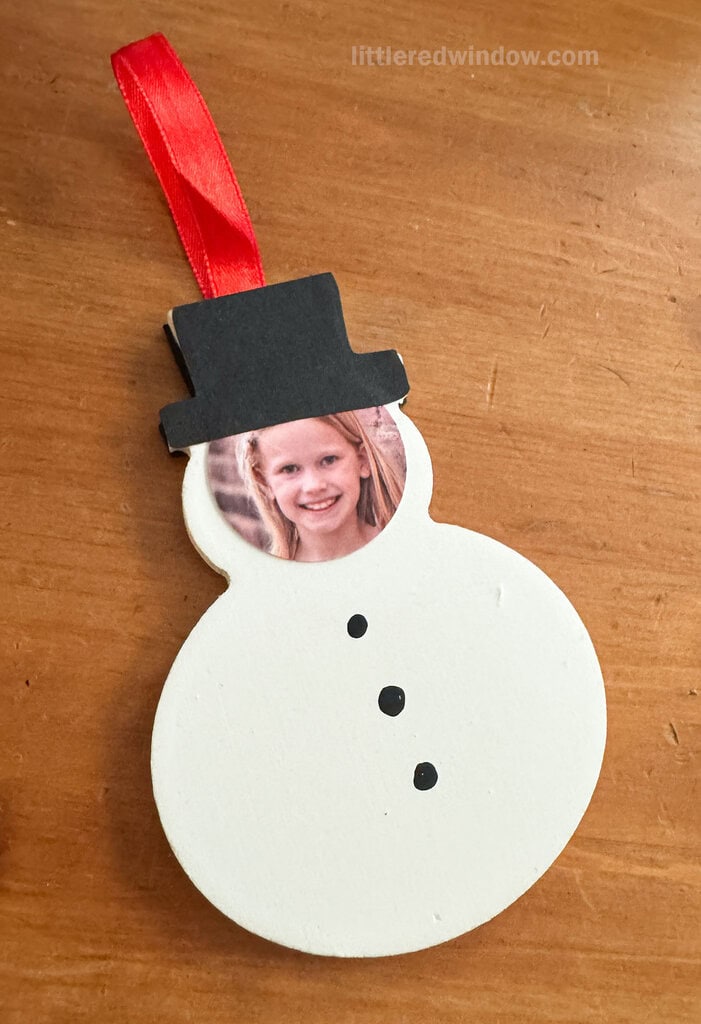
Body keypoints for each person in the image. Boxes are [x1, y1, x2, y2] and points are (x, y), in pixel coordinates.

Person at [235, 410, 404, 562]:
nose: (313, 485)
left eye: (329, 460)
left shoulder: (401, 551)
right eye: (289, 469)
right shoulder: (270, 580)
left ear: (362, 461)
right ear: (264, 482)